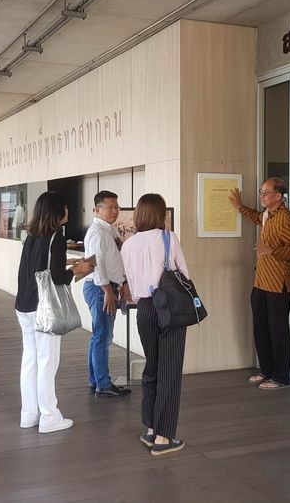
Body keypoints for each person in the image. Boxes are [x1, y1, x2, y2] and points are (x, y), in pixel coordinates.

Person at [14, 191, 94, 433]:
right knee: (47, 362)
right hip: (44, 308)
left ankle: (29, 415)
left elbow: (37, 268)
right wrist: (78, 269)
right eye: (65, 207)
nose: (68, 211)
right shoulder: (56, 237)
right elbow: (58, 277)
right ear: (58, 211)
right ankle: (49, 417)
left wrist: (67, 263)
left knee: (30, 360)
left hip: (24, 304)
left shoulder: (32, 235)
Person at [121, 194, 191, 455]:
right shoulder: (168, 237)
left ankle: (151, 428)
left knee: (152, 368)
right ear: (161, 214)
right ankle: (164, 438)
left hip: (144, 309)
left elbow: (130, 281)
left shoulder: (128, 244)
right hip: (169, 308)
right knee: (170, 371)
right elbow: (184, 274)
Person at [229, 178, 290, 390]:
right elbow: (256, 217)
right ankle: (267, 370)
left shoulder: (286, 218)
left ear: (278, 196)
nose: (262, 195)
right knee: (260, 328)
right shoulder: (268, 215)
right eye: (261, 191)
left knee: (278, 331)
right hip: (261, 281)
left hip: (278, 283)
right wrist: (239, 206)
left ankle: (282, 377)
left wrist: (272, 250)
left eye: (265, 192)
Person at [82, 190, 132, 398]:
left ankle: (96, 381)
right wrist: (108, 292)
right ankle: (103, 383)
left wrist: (122, 282)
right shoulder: (98, 232)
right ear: (97, 210)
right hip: (100, 289)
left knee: (100, 336)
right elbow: (97, 264)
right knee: (103, 337)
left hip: (106, 287)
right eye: (110, 207)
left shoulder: (107, 230)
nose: (115, 211)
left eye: (116, 207)